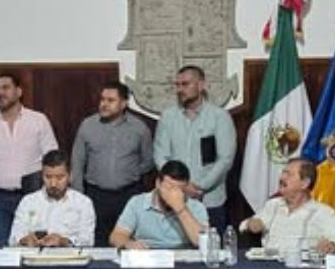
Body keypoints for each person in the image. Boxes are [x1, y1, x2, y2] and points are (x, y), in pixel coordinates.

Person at [0, 72, 59, 246]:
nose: (0, 93)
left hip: (32, 195)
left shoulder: (38, 120)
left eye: (5, 88)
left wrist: (53, 191)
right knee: (0, 246)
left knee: (32, 245)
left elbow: (53, 159)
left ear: (19, 91)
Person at [152, 65, 237, 232]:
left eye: (185, 84)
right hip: (174, 198)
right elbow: (160, 156)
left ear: (201, 85)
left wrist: (199, 187)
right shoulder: (168, 117)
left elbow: (225, 159)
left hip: (210, 201)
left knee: (211, 246)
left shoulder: (219, 117)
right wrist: (180, 186)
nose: (180, 90)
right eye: (177, 85)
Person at [70, 81, 153, 247]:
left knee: (128, 242)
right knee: (97, 244)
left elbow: (148, 161)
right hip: (96, 196)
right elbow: (77, 162)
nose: (104, 104)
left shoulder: (139, 128)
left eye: (110, 100)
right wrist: (79, 199)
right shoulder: (88, 125)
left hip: (128, 195)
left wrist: (130, 174)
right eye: (102, 99)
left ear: (124, 103)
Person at [239, 158, 335, 255]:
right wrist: (250, 224)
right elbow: (243, 226)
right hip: (269, 265)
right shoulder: (272, 205)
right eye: (283, 173)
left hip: (301, 268)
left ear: (305, 183)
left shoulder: (323, 212)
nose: (282, 177)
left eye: (289, 174)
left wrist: (332, 245)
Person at [109, 160, 209, 250]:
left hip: (182, 256)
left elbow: (202, 243)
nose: (173, 194)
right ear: (158, 183)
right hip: (146, 254)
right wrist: (128, 244)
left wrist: (180, 208)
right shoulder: (137, 202)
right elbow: (117, 236)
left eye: (179, 190)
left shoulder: (196, 207)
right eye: (169, 188)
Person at [10, 150, 96, 248]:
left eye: (59, 178)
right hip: (35, 255)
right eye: (48, 177)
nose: (53, 184)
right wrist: (24, 241)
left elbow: (88, 241)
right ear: (42, 176)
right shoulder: (28, 202)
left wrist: (63, 242)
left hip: (68, 256)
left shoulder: (83, 203)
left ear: (69, 176)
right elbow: (13, 239)